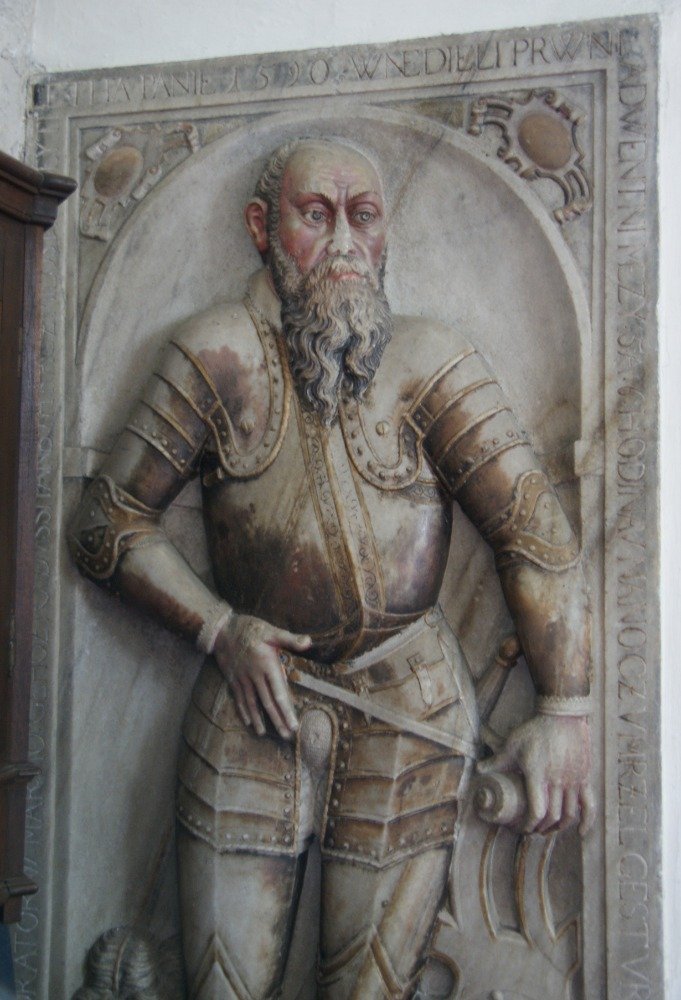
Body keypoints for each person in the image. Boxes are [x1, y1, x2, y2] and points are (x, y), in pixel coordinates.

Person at [69, 138, 594, 1000]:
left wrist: (564, 710)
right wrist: (219, 630)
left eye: (363, 217)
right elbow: (106, 524)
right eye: (315, 216)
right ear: (261, 228)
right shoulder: (214, 353)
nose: (344, 242)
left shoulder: (432, 360)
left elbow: (534, 535)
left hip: (406, 710)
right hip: (250, 704)